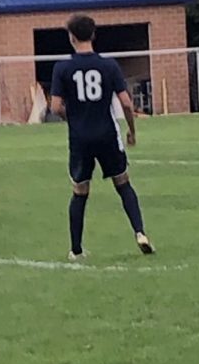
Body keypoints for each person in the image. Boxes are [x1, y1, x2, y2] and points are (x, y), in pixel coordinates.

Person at [49, 15, 155, 260]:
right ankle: (140, 232)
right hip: (107, 133)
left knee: (80, 190)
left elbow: (55, 107)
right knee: (123, 183)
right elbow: (127, 103)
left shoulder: (62, 68)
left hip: (80, 137)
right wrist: (132, 130)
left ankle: (76, 250)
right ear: (93, 35)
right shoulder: (109, 66)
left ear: (71, 37)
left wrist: (73, 118)